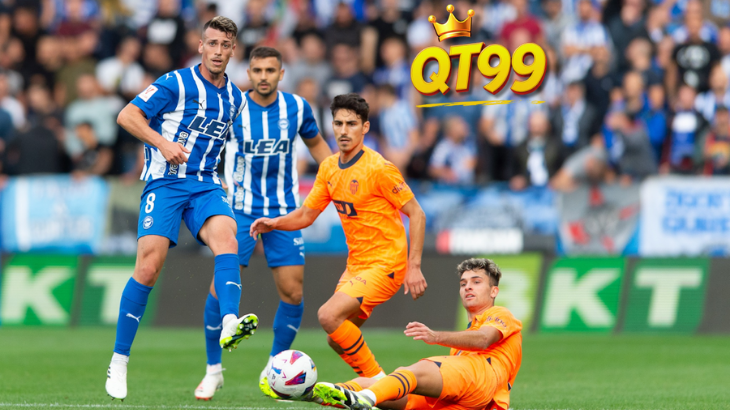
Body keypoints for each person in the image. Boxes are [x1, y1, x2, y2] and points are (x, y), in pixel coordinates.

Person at [105, 16, 258, 401]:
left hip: (205, 184)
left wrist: (230, 178)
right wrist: (162, 143)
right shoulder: (175, 82)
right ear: (201, 46)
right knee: (148, 267)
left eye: (225, 45)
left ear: (233, 50)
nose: (218, 51)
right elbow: (127, 116)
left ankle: (229, 321)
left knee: (228, 239)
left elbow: (232, 145)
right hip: (166, 182)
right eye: (212, 44)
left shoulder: (237, 99)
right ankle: (119, 361)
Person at [250, 93, 428, 388]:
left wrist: (415, 266)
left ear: (365, 127)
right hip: (356, 266)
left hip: (386, 264)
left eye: (352, 124)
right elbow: (307, 215)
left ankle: (382, 386)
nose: (344, 131)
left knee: (328, 315)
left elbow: (417, 213)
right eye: (338, 123)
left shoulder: (379, 168)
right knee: (337, 337)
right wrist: (275, 223)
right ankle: (375, 389)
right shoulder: (329, 168)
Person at [195, 46, 333, 400]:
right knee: (218, 290)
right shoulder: (233, 106)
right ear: (249, 73)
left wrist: (341, 176)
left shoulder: (297, 107)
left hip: (284, 211)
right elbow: (206, 148)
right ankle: (213, 370)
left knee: (293, 292)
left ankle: (274, 366)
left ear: (281, 74)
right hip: (238, 211)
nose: (263, 77)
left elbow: (318, 146)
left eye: (270, 70)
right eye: (257, 70)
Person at [309, 258, 523, 410]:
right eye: (463, 283)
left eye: (476, 282)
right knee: (386, 388)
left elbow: (484, 339)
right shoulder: (462, 343)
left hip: (483, 378)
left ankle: (365, 399)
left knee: (414, 372)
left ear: (494, 291)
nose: (468, 287)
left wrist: (436, 337)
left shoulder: (500, 314)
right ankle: (312, 393)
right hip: (470, 400)